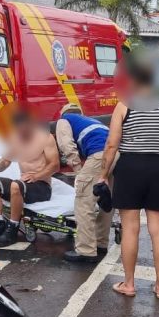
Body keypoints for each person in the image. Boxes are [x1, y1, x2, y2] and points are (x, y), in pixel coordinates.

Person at [99, 57, 159, 299]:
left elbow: (112, 144)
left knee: (130, 229)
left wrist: (103, 174)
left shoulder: (125, 105)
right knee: (158, 229)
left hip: (130, 167)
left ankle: (129, 283)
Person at [0, 110, 60, 247]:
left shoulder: (45, 138)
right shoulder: (16, 138)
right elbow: (6, 161)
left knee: (16, 185)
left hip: (42, 186)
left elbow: (55, 165)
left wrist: (36, 176)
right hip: (23, 184)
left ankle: (13, 227)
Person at [55, 103, 111, 263]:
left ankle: (86, 250)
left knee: (83, 201)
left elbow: (66, 145)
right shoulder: (92, 121)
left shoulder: (63, 120)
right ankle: (101, 244)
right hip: (115, 155)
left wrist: (78, 169)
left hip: (98, 155)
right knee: (105, 199)